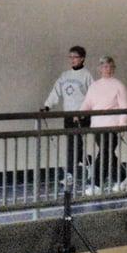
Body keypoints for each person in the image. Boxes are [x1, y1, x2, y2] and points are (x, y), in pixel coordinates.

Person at [42, 46, 93, 183]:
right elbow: (56, 91)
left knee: (75, 143)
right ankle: (86, 164)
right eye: (70, 57)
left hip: (82, 115)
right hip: (69, 114)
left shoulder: (87, 75)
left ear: (82, 58)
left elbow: (92, 96)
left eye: (75, 57)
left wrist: (83, 112)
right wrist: (47, 106)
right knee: (73, 143)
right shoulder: (64, 76)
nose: (72, 60)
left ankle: (72, 172)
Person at [79, 56, 127, 195]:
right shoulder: (94, 86)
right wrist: (79, 114)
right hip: (97, 126)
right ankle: (122, 178)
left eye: (111, 67)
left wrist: (122, 124)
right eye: (105, 67)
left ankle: (95, 183)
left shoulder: (119, 85)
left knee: (104, 153)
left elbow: (125, 106)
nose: (108, 69)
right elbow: (87, 103)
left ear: (114, 69)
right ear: (100, 69)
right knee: (107, 154)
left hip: (112, 125)